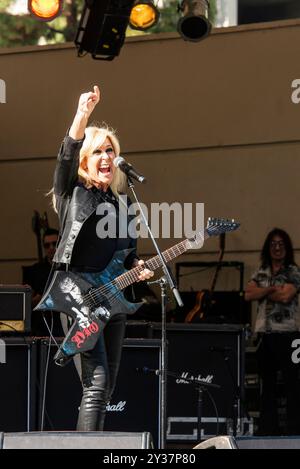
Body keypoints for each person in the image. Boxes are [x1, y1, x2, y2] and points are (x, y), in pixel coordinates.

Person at [50, 85, 154, 431]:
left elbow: (127, 259)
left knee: (105, 388)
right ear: (85, 162)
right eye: (98, 151)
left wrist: (138, 270)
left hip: (113, 302)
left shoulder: (124, 205)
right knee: (95, 383)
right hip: (78, 296)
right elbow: (66, 155)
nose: (107, 156)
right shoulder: (72, 192)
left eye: (111, 150)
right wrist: (83, 114)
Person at [245, 228, 300, 436]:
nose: (277, 248)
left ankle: (294, 430)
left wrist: (263, 291)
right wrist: (271, 289)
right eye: (273, 244)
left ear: (286, 248)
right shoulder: (261, 270)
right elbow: (248, 295)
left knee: (292, 383)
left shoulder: (293, 271)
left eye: (281, 244)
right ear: (268, 248)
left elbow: (287, 296)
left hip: (289, 334)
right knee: (266, 385)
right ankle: (269, 429)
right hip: (265, 335)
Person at [23, 227, 63, 336]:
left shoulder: (70, 268)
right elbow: (26, 304)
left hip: (64, 322)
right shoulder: (34, 271)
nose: (51, 248)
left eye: (55, 244)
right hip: (42, 327)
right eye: (47, 245)